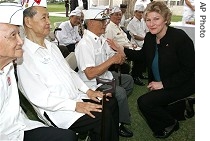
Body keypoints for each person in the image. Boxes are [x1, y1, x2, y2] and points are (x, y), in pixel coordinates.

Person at [17, 1, 119, 141]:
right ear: (28, 21)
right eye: (43, 18)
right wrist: (75, 105)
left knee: (110, 103)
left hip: (75, 97)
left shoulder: (51, 46)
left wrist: (88, 91)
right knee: (102, 117)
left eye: (48, 17)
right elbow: (40, 98)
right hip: (59, 111)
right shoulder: (24, 57)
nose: (48, 21)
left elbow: (70, 73)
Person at [110, 1, 195, 138]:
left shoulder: (179, 37)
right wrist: (122, 50)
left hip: (182, 83)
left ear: (166, 19)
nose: (151, 23)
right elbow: (142, 56)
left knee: (144, 102)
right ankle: (183, 105)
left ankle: (170, 123)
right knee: (160, 104)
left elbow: (190, 70)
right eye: (148, 20)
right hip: (161, 82)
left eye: (156, 19)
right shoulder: (150, 37)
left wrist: (163, 84)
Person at [0, 2, 76, 141]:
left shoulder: (7, 67)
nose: (20, 41)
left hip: (20, 127)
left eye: (18, 34)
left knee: (67, 137)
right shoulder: (20, 60)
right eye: (13, 35)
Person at [75, 6, 134, 138]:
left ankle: (115, 111)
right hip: (93, 83)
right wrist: (113, 59)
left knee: (128, 81)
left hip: (105, 76)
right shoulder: (85, 44)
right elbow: (90, 73)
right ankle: (118, 123)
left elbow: (119, 58)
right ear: (90, 22)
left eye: (105, 20)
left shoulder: (100, 39)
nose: (105, 24)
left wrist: (118, 51)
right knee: (120, 92)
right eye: (101, 21)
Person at [105, 6, 146, 86]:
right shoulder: (109, 28)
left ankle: (138, 73)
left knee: (143, 53)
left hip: (128, 47)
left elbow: (124, 39)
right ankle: (135, 76)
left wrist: (131, 44)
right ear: (111, 16)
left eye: (120, 15)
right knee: (141, 56)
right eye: (116, 14)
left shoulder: (118, 27)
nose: (119, 17)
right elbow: (109, 44)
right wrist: (126, 47)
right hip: (119, 50)